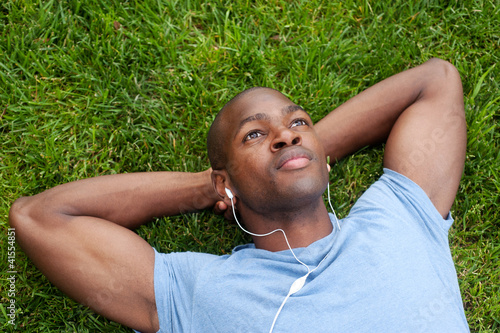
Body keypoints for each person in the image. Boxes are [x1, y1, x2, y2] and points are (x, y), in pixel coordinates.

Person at [9, 58, 469, 332]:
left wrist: (310, 151)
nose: (285, 136)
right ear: (224, 182)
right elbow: (39, 217)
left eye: (298, 122)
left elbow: (437, 80)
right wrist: (208, 186)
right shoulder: (198, 291)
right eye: (254, 135)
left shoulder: (399, 215)